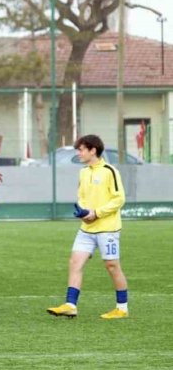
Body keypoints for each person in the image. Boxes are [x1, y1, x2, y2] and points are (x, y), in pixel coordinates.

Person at [47, 135, 128, 319]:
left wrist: (97, 213)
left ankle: (122, 308)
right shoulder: (84, 172)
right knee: (75, 262)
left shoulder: (109, 171)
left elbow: (119, 199)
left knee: (112, 266)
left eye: (81, 149)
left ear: (93, 150)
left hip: (108, 228)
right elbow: (81, 197)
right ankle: (70, 305)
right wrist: (84, 213)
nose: (79, 153)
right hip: (86, 228)